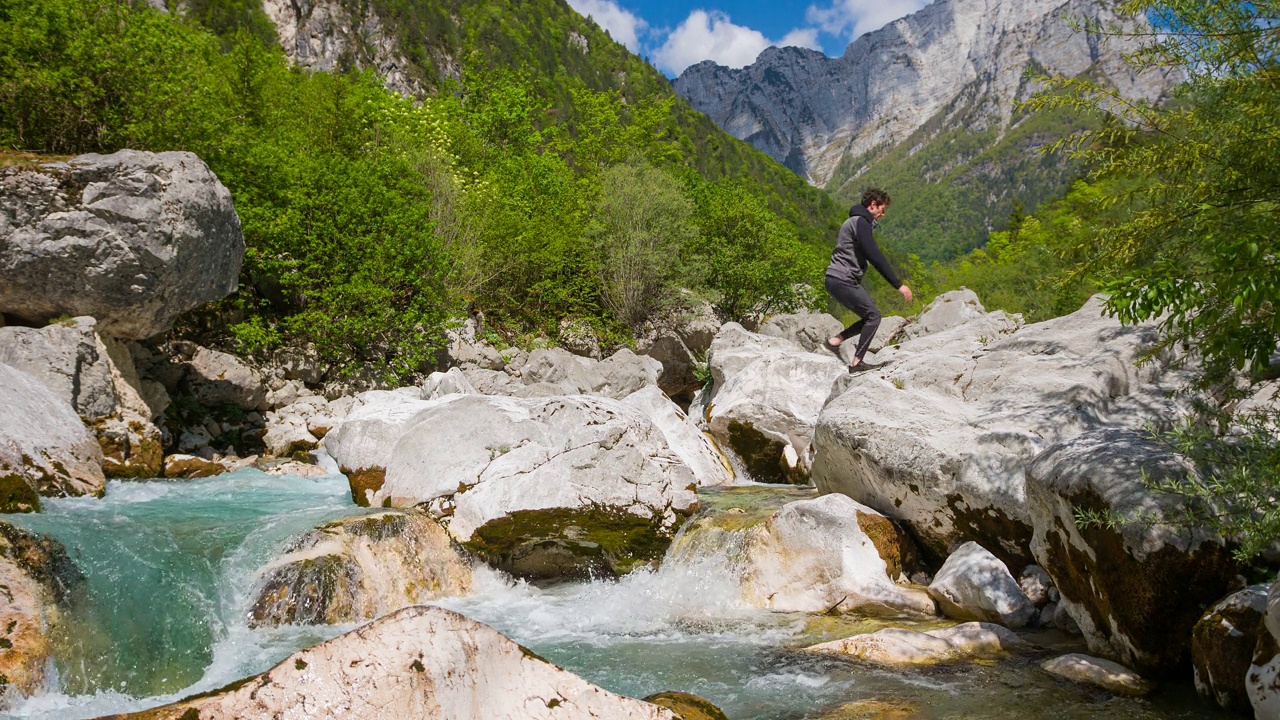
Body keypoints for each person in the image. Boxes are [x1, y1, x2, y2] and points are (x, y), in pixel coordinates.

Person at [824, 188, 912, 369]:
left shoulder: (855, 221)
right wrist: (898, 285)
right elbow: (875, 255)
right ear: (873, 205)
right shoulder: (861, 223)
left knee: (868, 315)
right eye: (882, 208)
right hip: (843, 279)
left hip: (834, 278)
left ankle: (834, 341)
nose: (883, 214)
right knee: (874, 316)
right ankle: (857, 363)